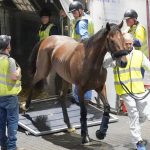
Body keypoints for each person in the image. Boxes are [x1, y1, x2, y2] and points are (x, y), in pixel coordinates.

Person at [103, 33, 150, 150]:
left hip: (139, 90)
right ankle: (138, 141)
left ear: (133, 43)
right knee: (133, 114)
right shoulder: (118, 56)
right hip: (125, 91)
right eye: (126, 44)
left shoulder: (139, 54)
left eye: (130, 43)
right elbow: (104, 64)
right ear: (123, 43)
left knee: (144, 115)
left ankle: (135, 129)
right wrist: (114, 56)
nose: (128, 46)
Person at [0, 35, 23, 150]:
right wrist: (18, 71)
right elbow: (14, 77)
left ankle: (3, 145)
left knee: (1, 122)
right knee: (12, 121)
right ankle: (12, 147)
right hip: (10, 97)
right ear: (7, 46)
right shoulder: (10, 61)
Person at [69, 1, 94, 103]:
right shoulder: (87, 18)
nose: (73, 14)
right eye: (72, 12)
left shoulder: (81, 22)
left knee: (79, 75)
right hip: (88, 51)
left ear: (80, 10)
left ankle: (82, 98)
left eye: (74, 12)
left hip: (82, 51)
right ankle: (81, 97)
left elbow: (84, 38)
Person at [124, 9, 148, 76]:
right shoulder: (129, 29)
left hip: (140, 59)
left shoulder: (139, 28)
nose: (126, 21)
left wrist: (127, 39)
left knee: (138, 79)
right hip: (133, 58)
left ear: (134, 19)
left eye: (128, 19)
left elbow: (139, 43)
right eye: (125, 19)